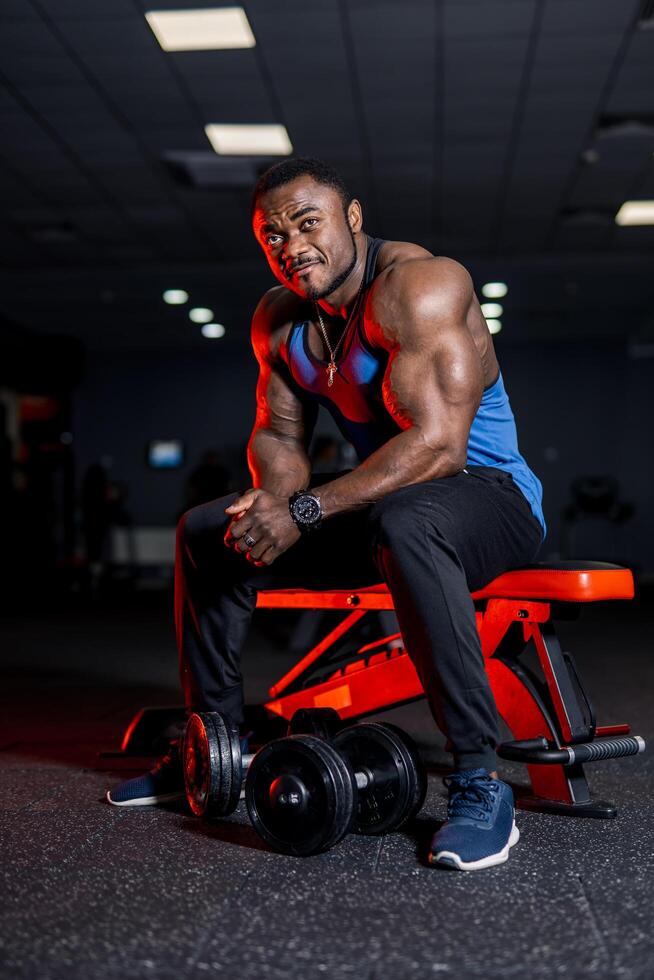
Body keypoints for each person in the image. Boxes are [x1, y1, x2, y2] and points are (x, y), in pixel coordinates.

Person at [108, 158, 546, 871]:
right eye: (271, 234)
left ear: (352, 218)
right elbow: (280, 435)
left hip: (485, 492)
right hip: (383, 496)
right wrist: (273, 502)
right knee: (205, 531)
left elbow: (438, 445)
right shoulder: (280, 319)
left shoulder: (423, 286)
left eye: (306, 222)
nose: (290, 245)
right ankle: (215, 749)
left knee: (412, 521)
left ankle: (477, 779)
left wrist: (306, 510)